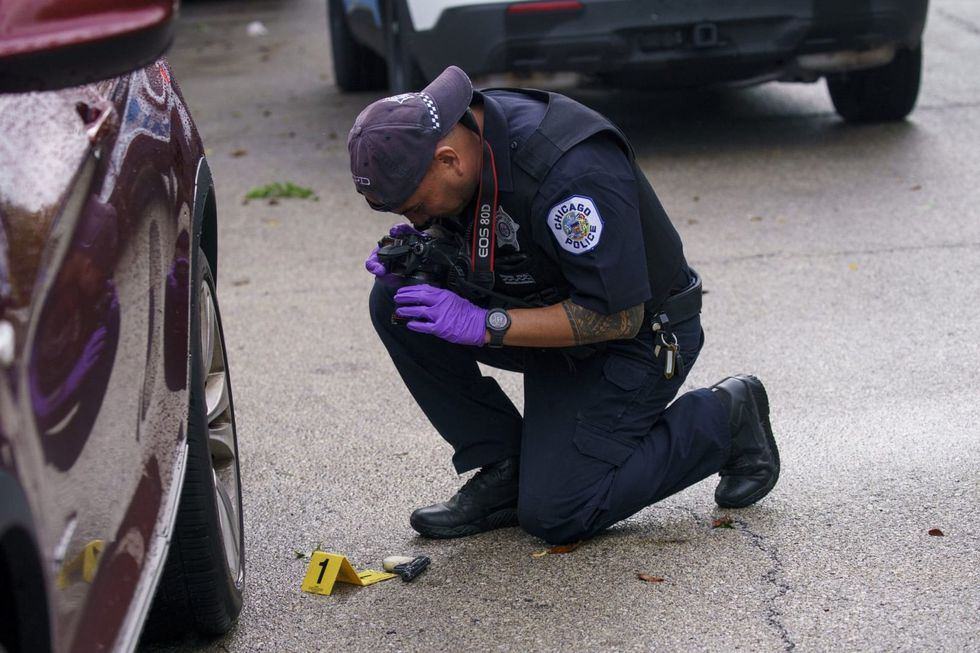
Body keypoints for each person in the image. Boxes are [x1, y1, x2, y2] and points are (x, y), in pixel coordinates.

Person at [347, 66, 779, 545]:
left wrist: (485, 323)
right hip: (541, 303)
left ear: (449, 161)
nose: (417, 218)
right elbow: (499, 238)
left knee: (559, 513)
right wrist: (430, 252)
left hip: (636, 337)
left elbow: (616, 316)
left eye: (413, 207)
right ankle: (505, 467)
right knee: (396, 299)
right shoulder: (462, 136)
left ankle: (726, 419)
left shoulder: (569, 173)